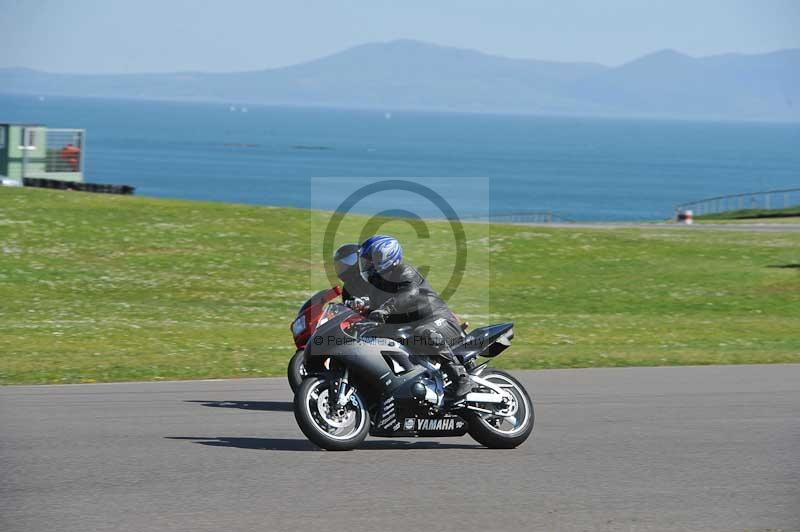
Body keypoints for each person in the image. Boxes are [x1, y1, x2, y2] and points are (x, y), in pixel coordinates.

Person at [358, 235, 472, 399]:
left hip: (438, 320)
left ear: (386, 257)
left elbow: (408, 294)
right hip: (410, 329)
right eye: (366, 261)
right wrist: (364, 316)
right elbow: (378, 312)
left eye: (371, 260)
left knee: (424, 332)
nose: (368, 265)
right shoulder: (377, 284)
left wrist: (386, 309)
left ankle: (461, 377)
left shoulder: (404, 271)